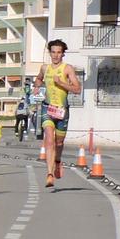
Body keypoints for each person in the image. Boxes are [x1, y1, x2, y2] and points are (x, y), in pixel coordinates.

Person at [36, 40, 82, 186]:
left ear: (62, 53)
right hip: (47, 107)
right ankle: (49, 174)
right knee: (49, 138)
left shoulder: (67, 69)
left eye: (58, 52)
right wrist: (36, 86)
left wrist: (61, 83)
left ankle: (57, 161)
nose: (55, 55)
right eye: (53, 52)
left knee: (59, 142)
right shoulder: (45, 68)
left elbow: (77, 89)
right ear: (49, 52)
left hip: (62, 110)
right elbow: (38, 78)